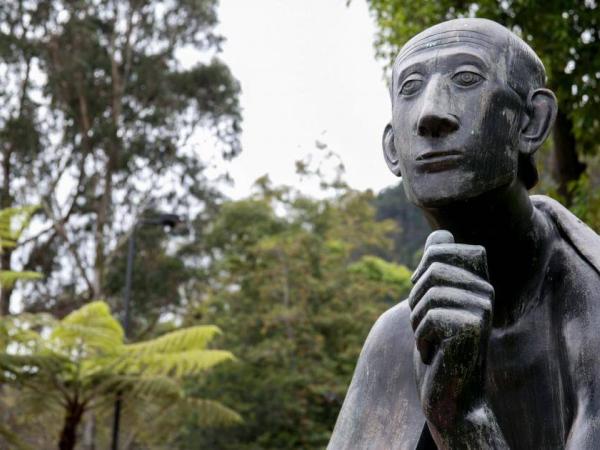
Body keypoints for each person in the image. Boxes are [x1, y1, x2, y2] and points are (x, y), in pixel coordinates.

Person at [328, 18, 600, 450]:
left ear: (531, 121)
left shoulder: (591, 302)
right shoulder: (396, 338)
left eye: (466, 78)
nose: (431, 114)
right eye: (411, 87)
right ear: (392, 149)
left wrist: (461, 418)